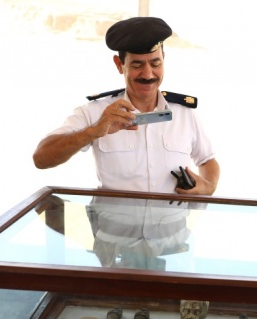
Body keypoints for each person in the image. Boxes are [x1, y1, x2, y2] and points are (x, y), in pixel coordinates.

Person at [32, 16, 220, 196]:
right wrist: (94, 131)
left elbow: (207, 160)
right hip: (115, 230)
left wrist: (208, 186)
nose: (148, 74)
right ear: (119, 64)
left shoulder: (183, 113)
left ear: (164, 58)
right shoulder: (95, 112)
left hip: (172, 229)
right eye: (137, 65)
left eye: (155, 63)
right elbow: (41, 158)